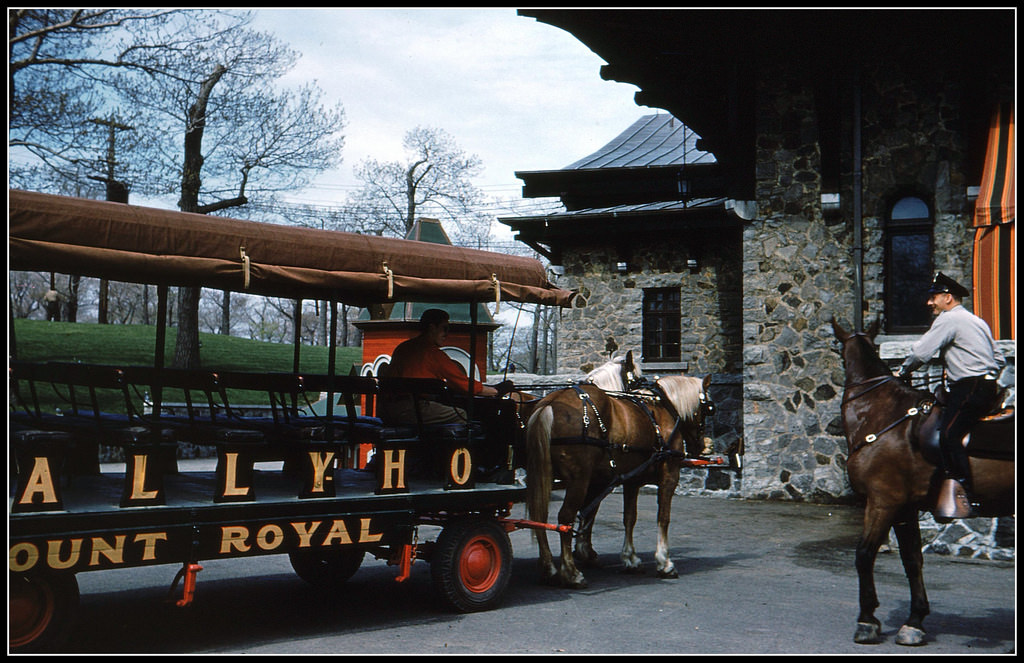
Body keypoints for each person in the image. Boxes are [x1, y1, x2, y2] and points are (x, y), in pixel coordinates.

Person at [897, 272, 1003, 519]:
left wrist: (902, 372)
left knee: (948, 434)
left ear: (947, 297)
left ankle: (968, 494)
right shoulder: (976, 320)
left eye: (933, 297)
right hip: (984, 386)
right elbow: (997, 358)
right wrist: (983, 371)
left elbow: (922, 352)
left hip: (969, 388)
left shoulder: (949, 319)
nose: (929, 303)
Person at [378, 308, 513, 426]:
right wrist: (496, 390)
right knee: (460, 415)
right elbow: (463, 384)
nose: (447, 334)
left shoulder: (403, 347)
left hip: (388, 409)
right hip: (413, 409)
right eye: (444, 328)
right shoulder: (433, 353)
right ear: (432, 328)